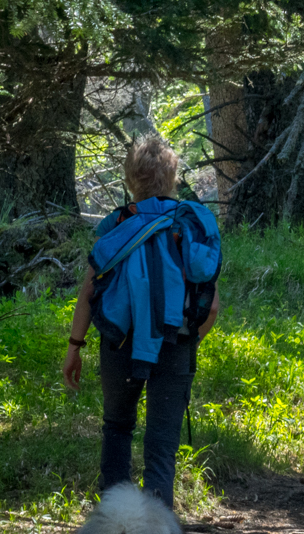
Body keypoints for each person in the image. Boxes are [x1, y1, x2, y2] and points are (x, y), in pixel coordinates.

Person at [62, 137, 219, 507]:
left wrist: (74, 348)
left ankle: (113, 529)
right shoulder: (190, 224)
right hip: (174, 344)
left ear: (132, 179)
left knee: (117, 429)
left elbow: (88, 294)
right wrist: (188, 342)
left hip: (119, 343)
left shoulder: (116, 224)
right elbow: (210, 308)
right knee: (162, 445)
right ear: (173, 176)